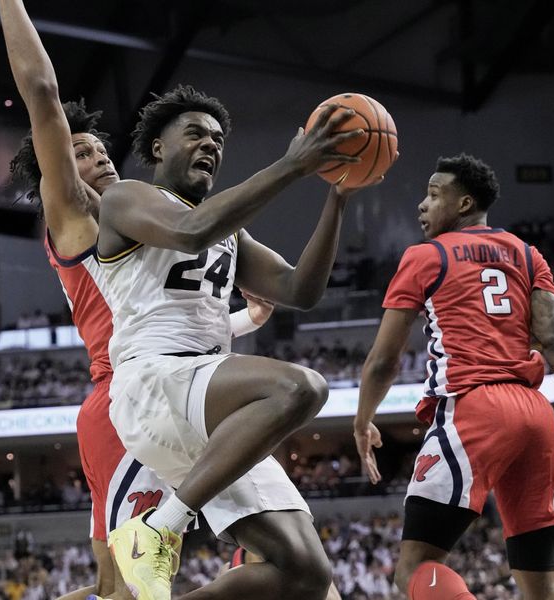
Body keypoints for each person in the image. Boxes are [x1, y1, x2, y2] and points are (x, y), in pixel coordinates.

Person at [0, 2, 274, 598]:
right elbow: (43, 91)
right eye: (78, 152)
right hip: (129, 402)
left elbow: (160, 316)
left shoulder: (134, 223)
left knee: (112, 588)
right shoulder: (75, 220)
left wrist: (244, 318)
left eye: (100, 150)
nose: (97, 157)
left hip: (140, 392)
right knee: (137, 588)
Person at [97, 85, 373, 600]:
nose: (211, 145)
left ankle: (161, 536)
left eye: (219, 139)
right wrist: (291, 166)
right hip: (154, 381)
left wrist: (335, 200)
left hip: (205, 407)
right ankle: (161, 527)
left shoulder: (230, 232)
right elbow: (189, 232)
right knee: (299, 389)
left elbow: (300, 291)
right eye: (196, 133)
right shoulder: (127, 197)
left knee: (305, 574)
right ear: (158, 147)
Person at [353, 154, 554, 600]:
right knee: (542, 588)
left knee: (415, 568)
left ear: (464, 203)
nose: (421, 206)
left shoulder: (425, 255)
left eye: (432, 194)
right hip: (535, 415)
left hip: (474, 406)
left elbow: (384, 360)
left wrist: (362, 418)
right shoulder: (527, 255)